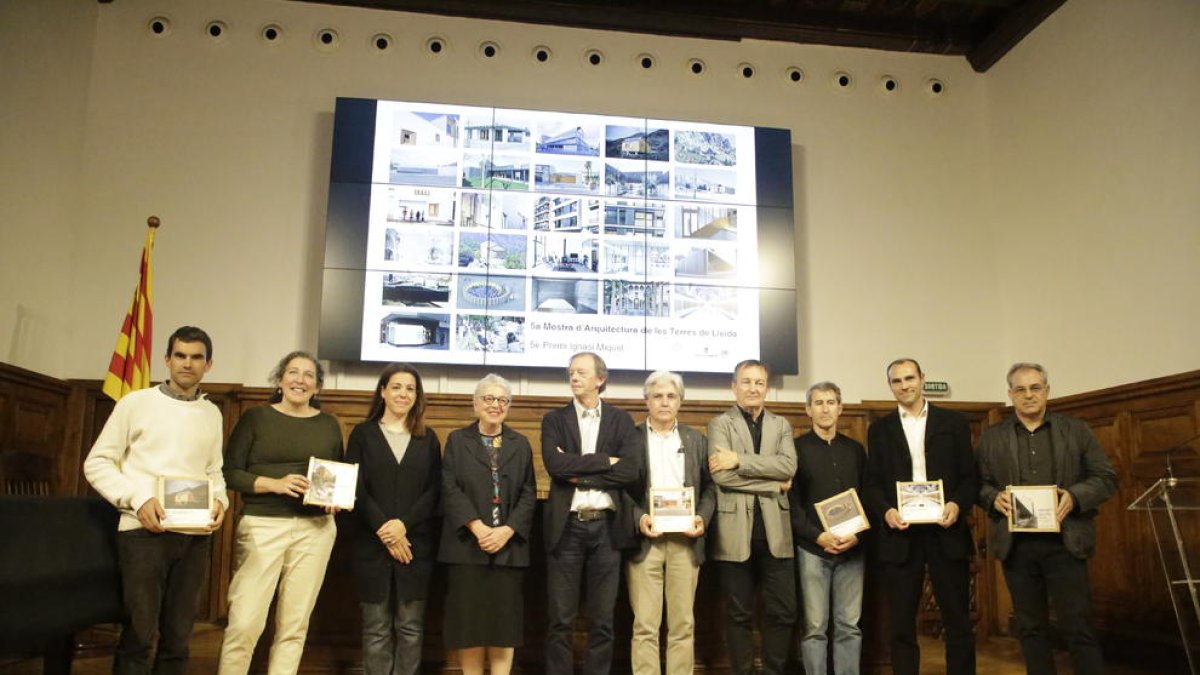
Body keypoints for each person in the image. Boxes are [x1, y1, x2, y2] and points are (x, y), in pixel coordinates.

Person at [83, 325, 228, 675]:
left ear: (208, 365)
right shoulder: (136, 403)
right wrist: (138, 499)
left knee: (179, 638)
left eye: (196, 357)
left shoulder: (212, 413)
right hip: (143, 533)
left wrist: (220, 501)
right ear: (167, 359)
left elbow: (214, 471)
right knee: (140, 635)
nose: (187, 364)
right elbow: (97, 463)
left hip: (194, 537)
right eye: (180, 355)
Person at [977, 363, 1117, 675]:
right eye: (1020, 389)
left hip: (1066, 543)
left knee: (1078, 626)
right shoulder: (991, 437)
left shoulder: (1076, 430)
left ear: (1047, 391)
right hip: (1018, 546)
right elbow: (978, 483)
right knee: (1030, 628)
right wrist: (991, 497)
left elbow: (1106, 477)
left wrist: (1076, 496)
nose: (1029, 395)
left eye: (1035, 388)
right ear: (1010, 394)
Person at [217, 351, 344, 674]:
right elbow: (229, 473)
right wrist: (274, 484)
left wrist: (335, 499)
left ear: (317, 387)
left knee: (294, 625)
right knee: (244, 623)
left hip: (315, 530)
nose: (299, 380)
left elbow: (336, 474)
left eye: (308, 376)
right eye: (292, 372)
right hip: (262, 526)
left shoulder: (329, 425)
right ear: (279, 379)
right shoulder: (255, 418)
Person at [863, 358, 978, 675]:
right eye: (897, 381)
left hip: (947, 532)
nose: (905, 385)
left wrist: (956, 504)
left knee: (957, 619)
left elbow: (970, 478)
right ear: (890, 386)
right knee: (901, 624)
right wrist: (886, 510)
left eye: (910, 378)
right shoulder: (879, 430)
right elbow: (871, 484)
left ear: (922, 379)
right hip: (900, 536)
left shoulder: (953, 423)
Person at [541, 351, 642, 675]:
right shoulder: (554, 420)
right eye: (571, 372)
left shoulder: (621, 420)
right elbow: (555, 466)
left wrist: (579, 471)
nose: (574, 378)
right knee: (561, 619)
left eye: (581, 372)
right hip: (567, 528)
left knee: (603, 621)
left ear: (600, 379)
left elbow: (629, 471)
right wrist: (604, 461)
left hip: (606, 530)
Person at [345, 363, 443, 675]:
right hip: (371, 547)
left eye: (410, 388)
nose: (403, 394)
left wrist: (403, 526)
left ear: (417, 396)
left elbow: (435, 491)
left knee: (411, 628)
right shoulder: (363, 434)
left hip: (415, 547)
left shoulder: (428, 439)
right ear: (383, 391)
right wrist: (386, 531)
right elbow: (355, 488)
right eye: (397, 387)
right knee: (375, 630)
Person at [439, 374, 537, 675]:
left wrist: (507, 531)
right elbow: (450, 488)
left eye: (502, 400)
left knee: (502, 629)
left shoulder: (520, 444)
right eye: (489, 399)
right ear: (476, 403)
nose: (496, 405)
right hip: (467, 548)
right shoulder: (458, 440)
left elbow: (528, 493)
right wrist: (478, 528)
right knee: (469, 628)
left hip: (508, 551)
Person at [708, 359, 797, 675]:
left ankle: (773, 671)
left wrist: (738, 460)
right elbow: (723, 478)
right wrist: (773, 483)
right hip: (735, 533)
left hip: (777, 534)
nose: (753, 388)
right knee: (738, 614)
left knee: (783, 612)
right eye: (746, 382)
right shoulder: (720, 424)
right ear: (734, 387)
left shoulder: (781, 424)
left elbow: (788, 467)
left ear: (767, 388)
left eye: (759, 382)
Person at [625, 371, 715, 675]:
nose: (664, 402)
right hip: (645, 540)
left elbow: (711, 488)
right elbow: (621, 490)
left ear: (680, 401)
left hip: (685, 541)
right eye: (658, 396)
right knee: (645, 625)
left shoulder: (696, 440)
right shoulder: (630, 438)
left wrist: (701, 517)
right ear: (646, 400)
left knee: (682, 624)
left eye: (671, 396)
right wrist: (640, 518)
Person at [791, 381, 867, 675]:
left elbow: (866, 497)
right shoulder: (796, 450)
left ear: (840, 408)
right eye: (818, 403)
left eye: (831, 402)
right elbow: (792, 504)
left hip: (852, 550)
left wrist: (856, 535)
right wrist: (818, 536)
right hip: (813, 549)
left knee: (849, 626)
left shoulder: (855, 450)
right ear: (808, 410)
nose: (825, 408)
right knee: (814, 628)